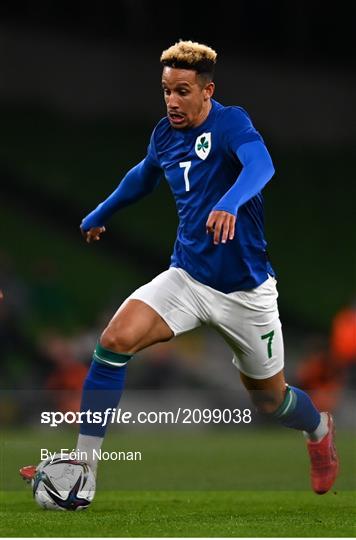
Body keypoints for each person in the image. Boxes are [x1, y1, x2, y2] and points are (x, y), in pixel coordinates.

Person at [20, 40, 338, 494]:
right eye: (166, 90)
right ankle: (84, 469)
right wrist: (101, 212)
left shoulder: (232, 123)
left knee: (271, 400)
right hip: (187, 277)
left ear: (208, 91)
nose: (172, 100)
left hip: (246, 293)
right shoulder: (164, 135)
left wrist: (229, 203)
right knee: (113, 341)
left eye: (183, 90)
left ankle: (319, 431)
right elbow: (143, 175)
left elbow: (261, 164)